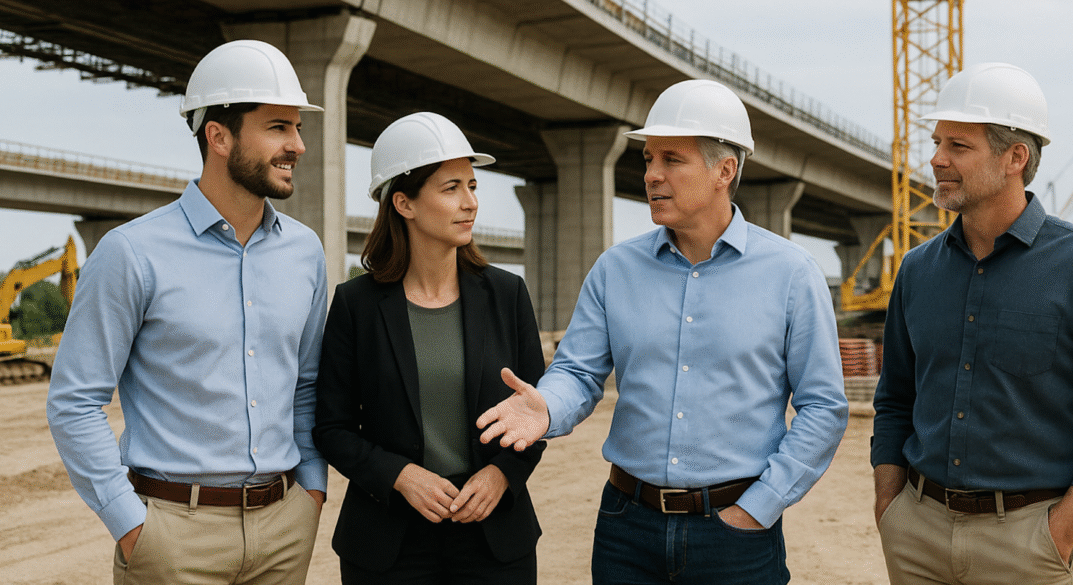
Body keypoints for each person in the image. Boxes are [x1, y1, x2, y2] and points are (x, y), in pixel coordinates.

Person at [477, 79, 849, 584]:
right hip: (626, 528)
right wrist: (547, 405)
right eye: (648, 158)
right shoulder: (615, 269)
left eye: (672, 160)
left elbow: (824, 406)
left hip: (738, 535)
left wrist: (760, 506)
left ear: (725, 170)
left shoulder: (791, 274)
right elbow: (578, 371)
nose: (651, 175)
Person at [47, 39, 329, 585]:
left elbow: (307, 384)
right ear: (218, 137)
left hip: (284, 530)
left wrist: (310, 490)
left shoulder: (306, 253)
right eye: (277, 127)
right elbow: (75, 400)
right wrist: (133, 527)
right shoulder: (132, 253)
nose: (297, 145)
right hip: (170, 538)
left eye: (297, 127)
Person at [871, 62, 1073, 584]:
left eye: (958, 146)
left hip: (1032, 544)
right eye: (937, 142)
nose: (936, 159)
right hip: (916, 534)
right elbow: (895, 398)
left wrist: (1061, 531)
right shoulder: (917, 271)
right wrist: (890, 508)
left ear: (1016, 157)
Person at [312, 112, 546, 584]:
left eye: (473, 186)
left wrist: (501, 475)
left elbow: (536, 413)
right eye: (451, 188)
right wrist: (399, 475)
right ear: (404, 203)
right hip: (387, 541)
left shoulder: (507, 295)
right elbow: (332, 426)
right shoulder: (356, 305)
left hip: (494, 535)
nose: (470, 203)